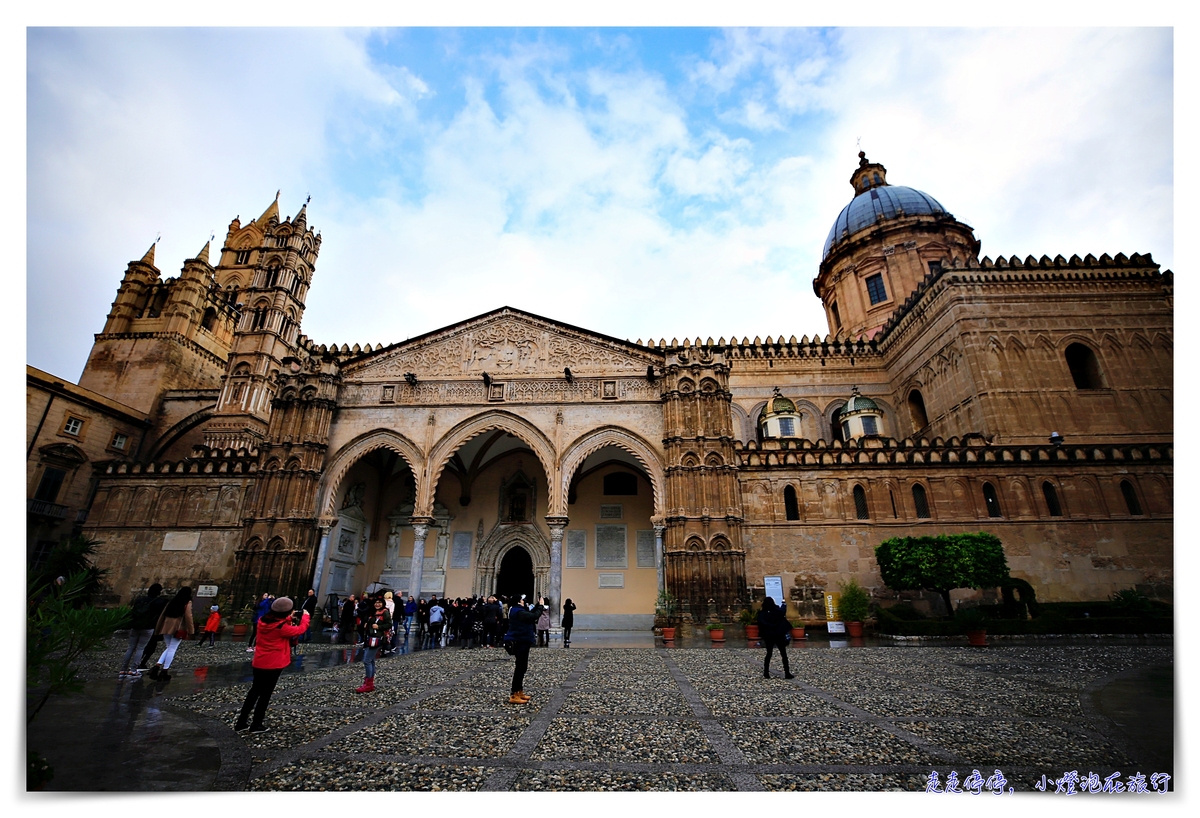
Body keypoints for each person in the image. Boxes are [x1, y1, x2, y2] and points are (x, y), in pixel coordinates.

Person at [235, 597, 310, 733]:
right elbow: (300, 629)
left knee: (254, 691)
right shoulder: (282, 628)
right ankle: (256, 724)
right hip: (274, 664)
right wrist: (305, 617)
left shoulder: (263, 621)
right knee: (265, 694)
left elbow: (279, 623)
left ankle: (241, 722)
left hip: (259, 662)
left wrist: (288, 617)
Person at [148, 587, 194, 682]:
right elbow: (188, 616)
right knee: (172, 649)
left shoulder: (172, 601)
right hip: (178, 628)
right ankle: (164, 670)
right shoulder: (187, 602)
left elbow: (163, 615)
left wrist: (159, 627)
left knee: (169, 647)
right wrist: (191, 630)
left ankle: (157, 666)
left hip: (166, 627)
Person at [504, 595, 544, 704]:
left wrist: (537, 605)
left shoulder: (519, 610)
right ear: (518, 601)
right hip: (519, 641)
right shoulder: (518, 612)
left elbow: (530, 613)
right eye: (522, 599)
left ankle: (519, 691)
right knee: (520, 668)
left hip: (523, 641)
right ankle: (514, 694)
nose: (524, 601)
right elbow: (534, 616)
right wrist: (541, 606)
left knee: (522, 667)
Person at [119, 583, 163, 678]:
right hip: (148, 627)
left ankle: (123, 669)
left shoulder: (139, 600)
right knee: (140, 648)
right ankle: (133, 670)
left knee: (130, 648)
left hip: (135, 626)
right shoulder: (159, 602)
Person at [357, 596, 392, 693]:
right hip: (369, 637)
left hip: (377, 638)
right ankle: (369, 683)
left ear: (383, 603)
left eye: (379, 602)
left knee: (367, 660)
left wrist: (379, 626)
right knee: (370, 660)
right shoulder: (373, 612)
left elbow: (389, 624)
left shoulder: (384, 612)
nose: (377, 604)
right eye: (376, 602)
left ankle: (368, 683)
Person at [757, 596, 795, 680]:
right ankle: (787, 672)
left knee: (769, 653)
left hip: (769, 635)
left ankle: (766, 672)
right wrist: (784, 603)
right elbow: (783, 611)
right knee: (783, 654)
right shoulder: (777, 612)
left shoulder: (762, 614)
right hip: (778, 634)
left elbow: (760, 623)